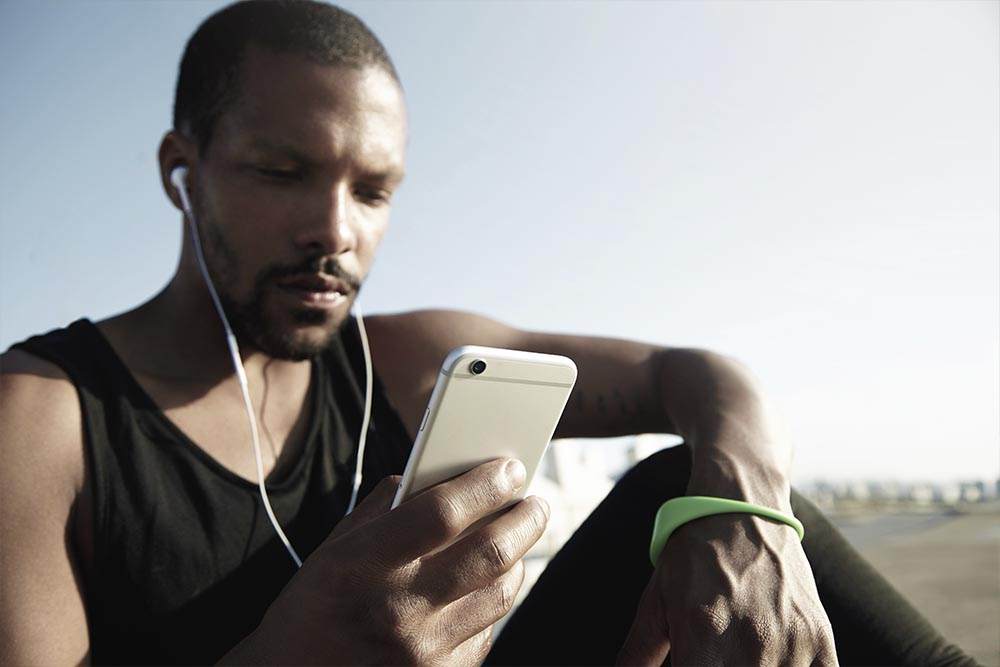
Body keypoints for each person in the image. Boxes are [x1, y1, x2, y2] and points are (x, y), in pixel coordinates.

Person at [0, 2, 975, 665]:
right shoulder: (42, 418)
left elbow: (706, 375)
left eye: (372, 190)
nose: (334, 231)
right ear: (184, 168)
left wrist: (746, 513)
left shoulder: (406, 361)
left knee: (678, 489)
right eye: (280, 171)